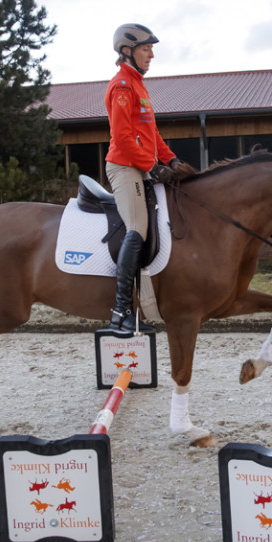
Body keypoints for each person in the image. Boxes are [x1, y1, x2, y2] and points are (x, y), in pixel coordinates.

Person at [104, 23, 197, 334]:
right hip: (124, 166)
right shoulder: (121, 86)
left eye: (151, 49)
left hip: (142, 164)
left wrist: (171, 159)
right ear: (127, 51)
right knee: (138, 228)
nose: (151, 54)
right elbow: (123, 138)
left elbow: (151, 134)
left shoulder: (140, 85)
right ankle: (120, 309)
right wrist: (154, 168)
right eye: (146, 49)